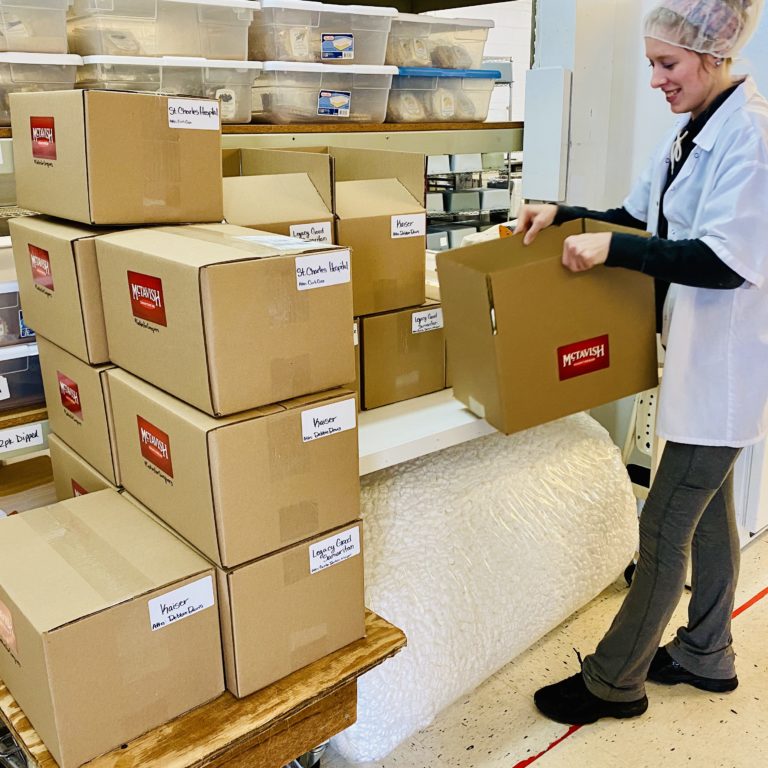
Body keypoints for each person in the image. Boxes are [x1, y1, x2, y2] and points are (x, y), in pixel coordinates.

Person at [513, 0, 768, 725]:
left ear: (714, 56)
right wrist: (563, 214)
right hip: (698, 363)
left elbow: (723, 262)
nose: (656, 79)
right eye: (652, 64)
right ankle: (705, 653)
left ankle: (612, 681)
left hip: (724, 369)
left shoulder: (751, 137)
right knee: (709, 511)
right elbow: (639, 221)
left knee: (662, 529)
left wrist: (614, 251)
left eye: (669, 64)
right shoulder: (693, 134)